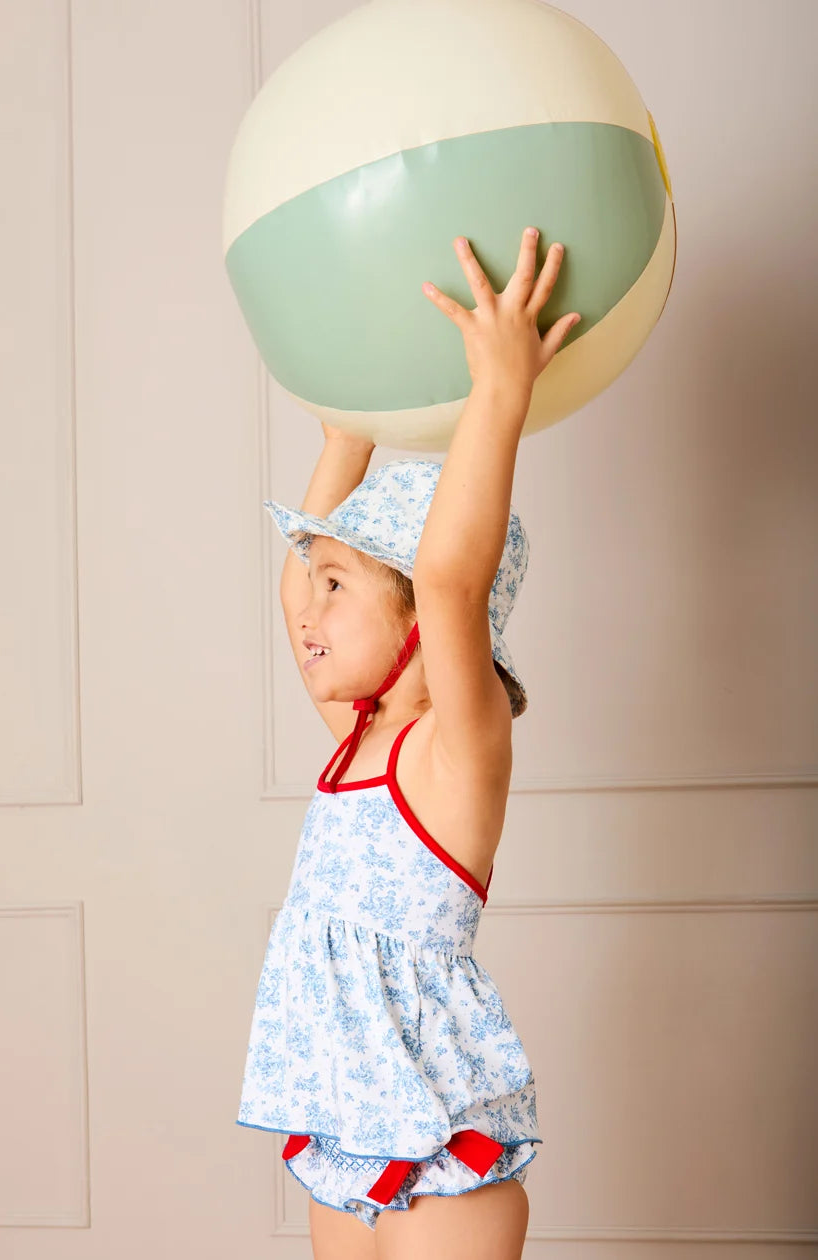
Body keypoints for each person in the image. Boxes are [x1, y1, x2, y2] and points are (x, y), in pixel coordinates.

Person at [237, 228, 581, 1259]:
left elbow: (448, 581)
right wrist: (346, 435)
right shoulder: (358, 737)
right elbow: (293, 590)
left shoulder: (453, 750)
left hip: (440, 1139)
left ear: (422, 626)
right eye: (315, 583)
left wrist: (499, 393)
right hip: (347, 1128)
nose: (308, 608)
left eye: (338, 585)